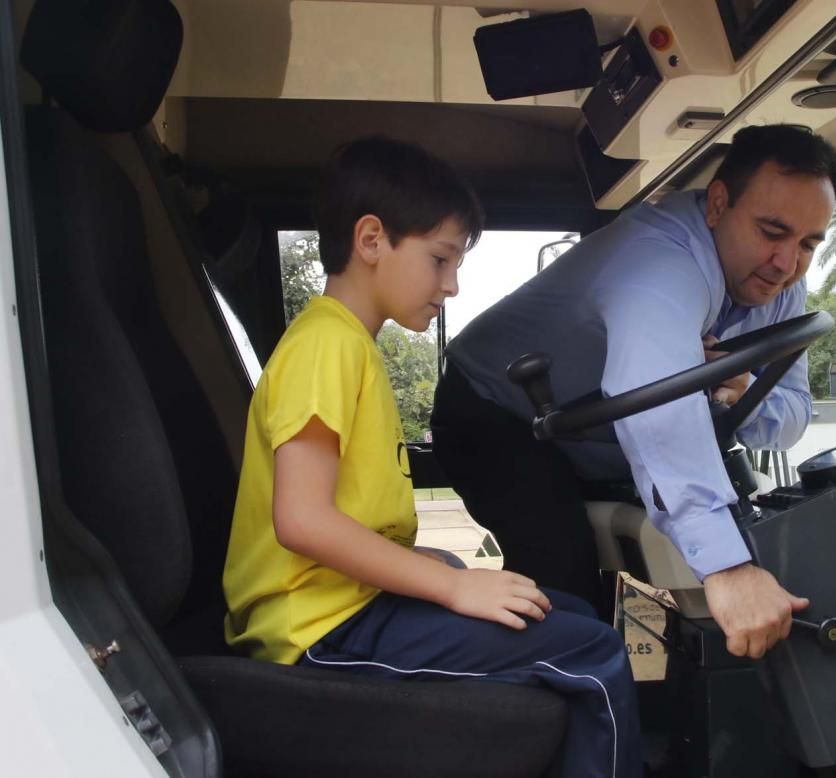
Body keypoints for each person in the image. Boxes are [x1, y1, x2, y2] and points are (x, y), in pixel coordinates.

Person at [222, 136, 641, 778]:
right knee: (594, 651)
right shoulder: (325, 345)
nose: (451, 285)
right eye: (440, 259)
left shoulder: (350, 346)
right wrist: (451, 586)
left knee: (569, 613)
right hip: (318, 630)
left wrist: (426, 562)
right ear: (370, 241)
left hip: (342, 608)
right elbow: (301, 521)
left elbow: (340, 514)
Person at [432, 125, 836, 660]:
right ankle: (551, 717)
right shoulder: (660, 263)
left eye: (809, 244)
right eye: (772, 231)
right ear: (718, 205)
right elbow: (656, 399)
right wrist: (726, 569)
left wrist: (743, 393)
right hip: (493, 412)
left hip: (592, 432)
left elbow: (794, 415)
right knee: (566, 584)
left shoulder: (783, 287)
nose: (787, 264)